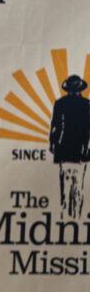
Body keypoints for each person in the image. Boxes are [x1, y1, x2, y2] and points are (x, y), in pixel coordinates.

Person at [49, 74, 90, 219]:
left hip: (63, 146)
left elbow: (55, 126)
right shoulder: (87, 104)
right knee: (78, 185)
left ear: (67, 89)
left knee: (65, 185)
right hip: (81, 148)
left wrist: (52, 144)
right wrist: (87, 148)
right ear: (80, 89)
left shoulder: (60, 103)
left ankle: (65, 216)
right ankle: (77, 217)